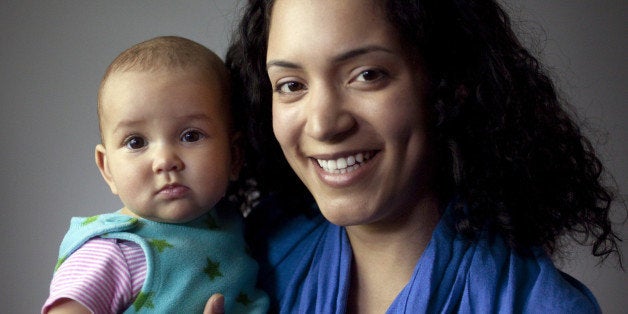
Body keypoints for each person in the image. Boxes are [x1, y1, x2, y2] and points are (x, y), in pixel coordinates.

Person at [204, 0, 625, 313]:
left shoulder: (536, 306)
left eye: (367, 75)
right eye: (291, 85)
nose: (323, 125)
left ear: (449, 82)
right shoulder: (237, 260)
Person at [43, 36, 268, 314]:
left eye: (190, 135)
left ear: (235, 156)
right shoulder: (114, 252)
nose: (165, 161)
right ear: (107, 168)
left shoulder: (233, 221)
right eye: (136, 142)